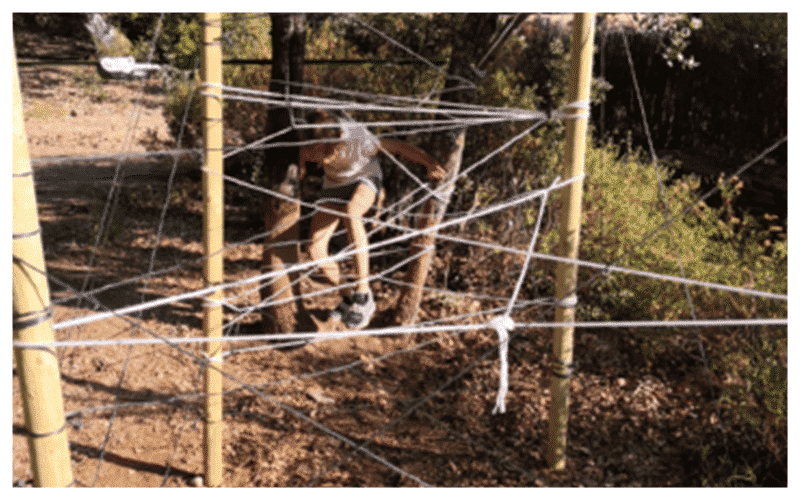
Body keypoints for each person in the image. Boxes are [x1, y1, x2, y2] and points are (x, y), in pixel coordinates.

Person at [299, 109, 446, 329]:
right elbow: (303, 159)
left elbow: (397, 147)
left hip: (365, 177)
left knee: (351, 212)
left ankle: (363, 293)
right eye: (314, 152)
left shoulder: (358, 139)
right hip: (334, 184)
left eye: (322, 151)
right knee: (314, 250)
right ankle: (349, 297)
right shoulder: (307, 142)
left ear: (335, 140)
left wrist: (429, 163)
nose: (318, 158)